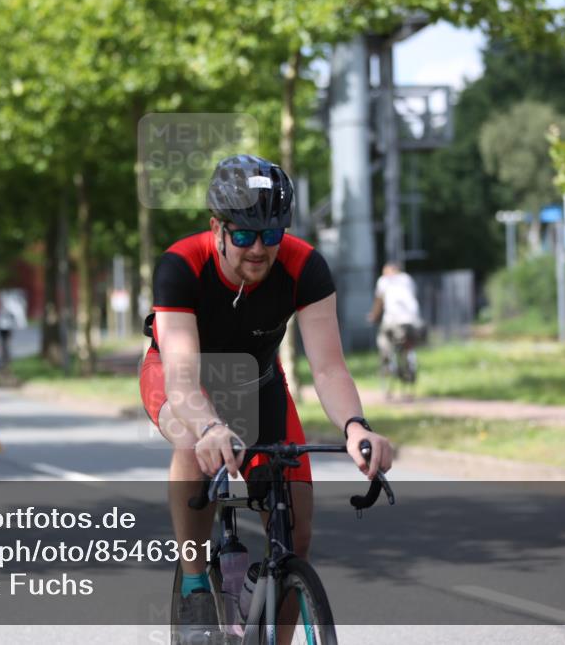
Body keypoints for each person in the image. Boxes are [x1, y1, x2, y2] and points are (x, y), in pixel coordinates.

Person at [140, 154, 393, 643]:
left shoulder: (305, 265)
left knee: (297, 529)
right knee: (191, 434)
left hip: (258, 380)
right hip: (179, 378)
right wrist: (211, 427)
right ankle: (195, 584)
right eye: (243, 236)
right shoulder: (180, 265)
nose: (258, 249)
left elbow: (329, 367)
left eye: (271, 235)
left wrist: (355, 426)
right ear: (217, 228)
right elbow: (183, 380)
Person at [367, 262, 424, 369]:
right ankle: (409, 360)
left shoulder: (384, 280)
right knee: (407, 338)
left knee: (383, 339)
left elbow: (379, 302)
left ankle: (387, 362)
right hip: (414, 319)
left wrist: (374, 316)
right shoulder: (407, 279)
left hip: (393, 319)